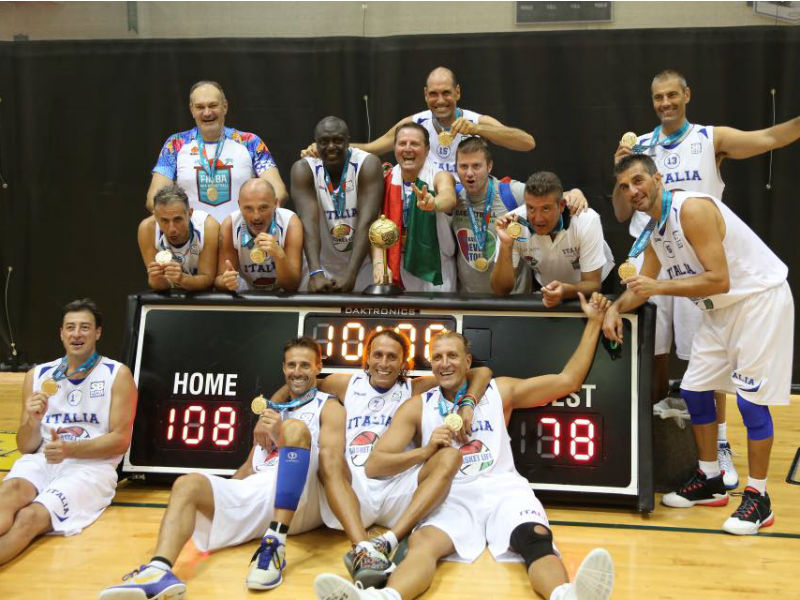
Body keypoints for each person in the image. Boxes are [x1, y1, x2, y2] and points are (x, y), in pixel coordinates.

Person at [314, 293, 615, 600]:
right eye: (438, 357)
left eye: (452, 356)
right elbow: (375, 464)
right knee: (422, 545)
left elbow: (568, 380)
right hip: (451, 495)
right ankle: (382, 598)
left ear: (468, 361)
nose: (445, 363)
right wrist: (428, 450)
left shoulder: (500, 391)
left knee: (535, 538)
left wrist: (593, 323)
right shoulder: (417, 405)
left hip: (503, 490)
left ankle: (565, 595)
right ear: (431, 364)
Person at [612, 69, 800, 487]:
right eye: (658, 97)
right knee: (671, 364)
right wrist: (611, 308)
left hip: (719, 273)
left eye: (672, 95)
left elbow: (770, 137)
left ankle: (732, 458)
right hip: (663, 253)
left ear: (687, 95)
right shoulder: (639, 149)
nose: (665, 103)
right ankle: (689, 458)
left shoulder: (708, 141)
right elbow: (623, 213)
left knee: (730, 386)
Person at [605, 153, 793, 535]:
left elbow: (719, 278)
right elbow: (642, 287)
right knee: (693, 390)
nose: (632, 190)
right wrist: (613, 309)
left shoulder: (691, 210)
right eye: (624, 186)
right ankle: (710, 479)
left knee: (750, 402)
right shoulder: (655, 230)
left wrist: (658, 287)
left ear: (657, 178)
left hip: (757, 300)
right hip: (718, 310)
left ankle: (759, 499)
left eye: (638, 180)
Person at [100, 337, 340, 597]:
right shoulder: (273, 412)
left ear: (318, 367)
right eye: (291, 365)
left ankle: (275, 545)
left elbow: (331, 468)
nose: (297, 371)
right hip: (258, 493)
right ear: (283, 368)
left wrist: (281, 433)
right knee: (188, 484)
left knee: (295, 429)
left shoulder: (329, 407)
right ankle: (158, 571)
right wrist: (223, 494)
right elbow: (250, 467)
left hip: (301, 498)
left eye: (305, 365)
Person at [272, 329, 491, 588]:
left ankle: (388, 541)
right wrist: (272, 407)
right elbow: (301, 384)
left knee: (449, 456)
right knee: (328, 454)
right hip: (354, 488)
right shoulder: (345, 384)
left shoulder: (415, 388)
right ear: (366, 358)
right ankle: (362, 549)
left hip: (398, 487)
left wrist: (468, 402)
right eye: (377, 355)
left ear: (404, 363)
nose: (384, 363)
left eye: (392, 357)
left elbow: (480, 372)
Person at [0, 299, 137, 565]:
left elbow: (121, 440)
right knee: (9, 493)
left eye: (85, 327)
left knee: (29, 517)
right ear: (61, 333)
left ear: (98, 332)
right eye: (70, 327)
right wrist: (33, 422)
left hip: (90, 469)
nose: (76, 334)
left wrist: (69, 449)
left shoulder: (117, 374)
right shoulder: (37, 375)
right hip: (42, 460)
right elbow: (25, 446)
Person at [302, 67, 535, 175]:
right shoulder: (414, 123)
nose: (440, 100)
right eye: (433, 94)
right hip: (429, 203)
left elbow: (527, 143)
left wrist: (478, 129)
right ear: (425, 94)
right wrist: (328, 149)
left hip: (468, 203)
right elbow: (373, 148)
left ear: (458, 92)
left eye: (446, 93)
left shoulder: (475, 120)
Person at [452, 138, 588, 294]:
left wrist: (575, 193)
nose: (469, 173)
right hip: (467, 299)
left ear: (489, 166)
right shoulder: (454, 197)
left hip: (514, 299)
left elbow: (549, 198)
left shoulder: (509, 192)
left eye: (476, 166)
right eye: (463, 166)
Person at [146, 80, 288, 223]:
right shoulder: (175, 144)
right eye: (200, 107)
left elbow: (278, 191)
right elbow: (154, 199)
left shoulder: (250, 142)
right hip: (194, 233)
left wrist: (257, 220)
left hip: (240, 231)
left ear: (225, 107)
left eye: (213, 105)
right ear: (192, 110)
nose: (207, 113)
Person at [492, 171, 614, 306]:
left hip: (595, 286)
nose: (538, 219)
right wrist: (506, 245)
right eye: (531, 208)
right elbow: (500, 290)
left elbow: (593, 284)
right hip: (548, 288)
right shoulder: (512, 226)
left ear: (561, 205)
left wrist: (565, 291)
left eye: (545, 209)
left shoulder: (585, 219)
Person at [291, 116, 383, 293]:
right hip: (319, 263)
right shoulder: (303, 169)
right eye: (324, 141)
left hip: (360, 265)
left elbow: (367, 221)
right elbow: (309, 223)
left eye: (338, 140)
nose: (331, 146)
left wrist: (351, 273)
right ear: (315, 143)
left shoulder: (367, 163)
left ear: (348, 142)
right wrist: (316, 273)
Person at [379, 122, 458, 291]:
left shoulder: (439, 175)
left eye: (414, 144)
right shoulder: (385, 178)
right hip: (396, 265)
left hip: (435, 269)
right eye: (402, 143)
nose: (408, 149)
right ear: (394, 148)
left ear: (427, 149)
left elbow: (449, 197)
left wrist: (434, 203)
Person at [215, 178, 303, 293]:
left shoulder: (290, 223)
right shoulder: (230, 225)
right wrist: (226, 282)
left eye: (263, 208)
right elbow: (220, 280)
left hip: (284, 296)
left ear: (275, 203)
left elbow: (292, 285)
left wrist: (279, 255)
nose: (256, 216)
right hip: (248, 295)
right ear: (239, 205)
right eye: (248, 208)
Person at [137, 183, 219, 291]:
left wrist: (182, 279)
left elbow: (208, 280)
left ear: (190, 214)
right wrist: (157, 280)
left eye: (177, 219)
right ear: (155, 216)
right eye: (165, 220)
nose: (172, 229)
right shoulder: (147, 229)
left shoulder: (208, 227)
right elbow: (160, 286)